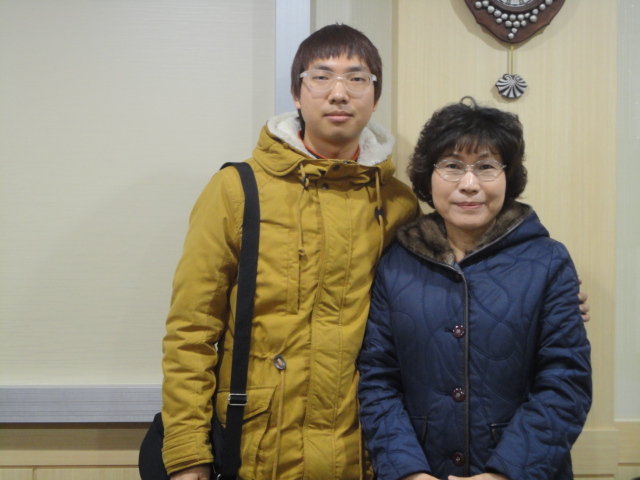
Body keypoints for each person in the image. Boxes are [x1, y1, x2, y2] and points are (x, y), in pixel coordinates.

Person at [159, 24, 419, 480]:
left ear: (375, 98)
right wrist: (187, 453)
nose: (339, 93)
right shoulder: (237, 190)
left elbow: (421, 323)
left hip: (364, 453)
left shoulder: (397, 203)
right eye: (321, 77)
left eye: (357, 78)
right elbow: (191, 330)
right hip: (256, 454)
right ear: (297, 95)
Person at [357, 98, 592, 480]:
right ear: (428, 176)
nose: (469, 185)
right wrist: (408, 472)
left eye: (486, 166)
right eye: (452, 166)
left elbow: (566, 382)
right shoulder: (396, 264)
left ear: (508, 177)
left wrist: (503, 473)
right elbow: (378, 381)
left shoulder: (549, 261)